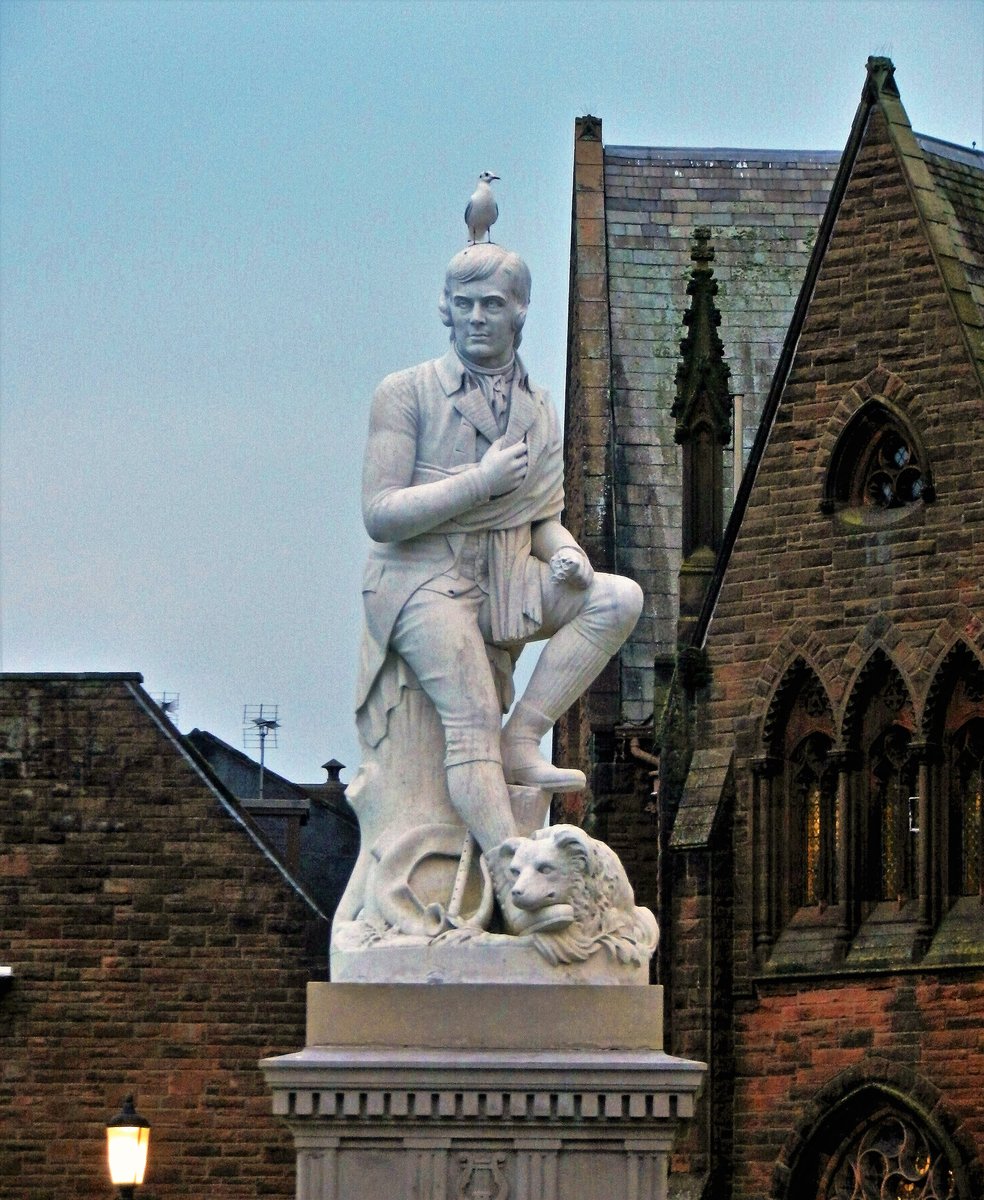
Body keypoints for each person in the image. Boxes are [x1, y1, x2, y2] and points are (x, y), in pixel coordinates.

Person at [356, 242, 642, 892]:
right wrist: (477, 484)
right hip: (420, 581)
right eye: (464, 306)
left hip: (505, 578)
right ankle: (514, 876)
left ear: (519, 313)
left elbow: (539, 517)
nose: (477, 317)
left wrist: (564, 552)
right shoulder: (404, 394)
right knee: (472, 716)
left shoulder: (537, 411)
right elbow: (380, 513)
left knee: (616, 599)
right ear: (446, 313)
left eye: (492, 305)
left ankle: (527, 737)